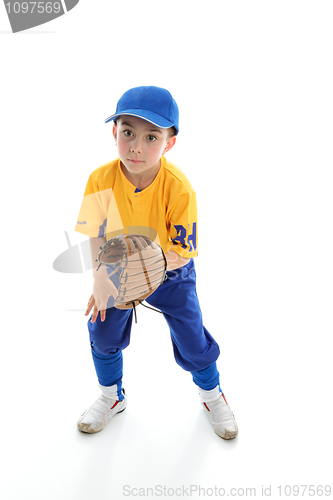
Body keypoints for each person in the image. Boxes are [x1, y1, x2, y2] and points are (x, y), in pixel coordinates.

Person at [74, 86, 238, 439]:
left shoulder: (178, 187)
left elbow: (183, 249)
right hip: (116, 269)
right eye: (128, 132)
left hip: (171, 272)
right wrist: (101, 278)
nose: (136, 146)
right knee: (102, 332)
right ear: (114, 132)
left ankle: (212, 395)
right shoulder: (100, 178)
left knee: (193, 340)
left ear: (170, 143)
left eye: (152, 137)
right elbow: (95, 233)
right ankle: (110, 397)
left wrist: (147, 268)